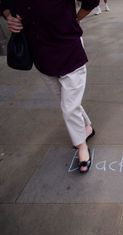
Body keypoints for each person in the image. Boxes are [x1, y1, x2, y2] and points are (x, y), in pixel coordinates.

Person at [0, 0, 99, 173]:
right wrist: (9, 17)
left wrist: (75, 19)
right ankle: (86, 127)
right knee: (65, 100)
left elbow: (91, 1)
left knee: (69, 107)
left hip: (68, 48)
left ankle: (81, 146)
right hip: (40, 54)